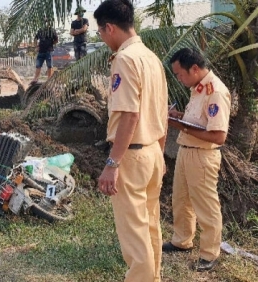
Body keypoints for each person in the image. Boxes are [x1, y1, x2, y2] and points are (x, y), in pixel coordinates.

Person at [94, 1, 168, 281]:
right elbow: (161, 113)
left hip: (132, 156)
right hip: (151, 153)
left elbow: (129, 117)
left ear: (110, 28)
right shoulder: (151, 58)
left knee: (135, 236)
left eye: (101, 33)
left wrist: (112, 163)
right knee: (150, 226)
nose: (102, 39)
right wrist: (159, 155)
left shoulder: (124, 60)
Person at [162, 48, 230, 272]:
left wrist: (179, 125)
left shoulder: (215, 91)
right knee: (181, 200)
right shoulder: (198, 88)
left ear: (194, 68)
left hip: (202, 155)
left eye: (180, 74)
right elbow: (197, 120)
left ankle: (210, 253)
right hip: (186, 150)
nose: (179, 79)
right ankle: (182, 241)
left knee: (206, 206)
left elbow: (218, 134)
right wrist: (178, 116)